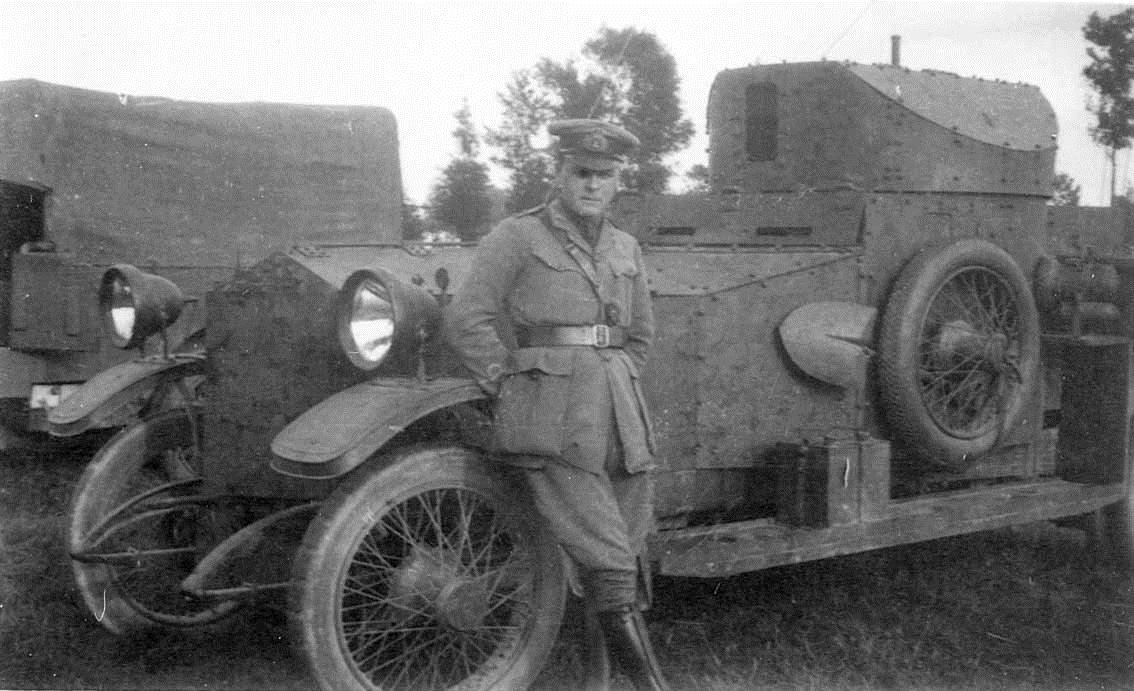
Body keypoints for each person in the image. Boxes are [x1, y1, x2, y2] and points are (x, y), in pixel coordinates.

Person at [443, 119, 670, 691]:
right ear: (559, 174)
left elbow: (639, 334)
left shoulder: (625, 247)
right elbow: (466, 319)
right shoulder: (516, 237)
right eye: (582, 173)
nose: (593, 185)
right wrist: (511, 384)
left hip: (621, 417)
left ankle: (600, 682)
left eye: (606, 175)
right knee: (610, 556)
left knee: (625, 548)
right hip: (551, 419)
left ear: (619, 183)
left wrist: (613, 375)